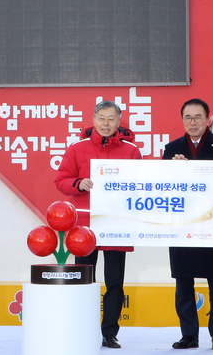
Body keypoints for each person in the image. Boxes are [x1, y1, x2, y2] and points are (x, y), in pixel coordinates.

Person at [55, 100, 142, 349]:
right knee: (82, 280)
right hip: (84, 226)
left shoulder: (131, 151)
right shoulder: (77, 148)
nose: (106, 124)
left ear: (119, 121)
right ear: (93, 119)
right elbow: (60, 180)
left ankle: (110, 333)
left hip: (117, 225)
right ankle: (81, 327)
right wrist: (78, 184)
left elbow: (141, 184)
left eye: (111, 119)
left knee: (115, 282)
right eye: (102, 118)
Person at [162, 98, 213, 351]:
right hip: (182, 226)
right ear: (182, 120)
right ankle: (189, 336)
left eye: (198, 117)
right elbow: (162, 186)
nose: (193, 123)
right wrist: (173, 170)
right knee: (183, 282)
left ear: (208, 119)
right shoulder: (172, 149)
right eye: (188, 118)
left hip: (212, 225)